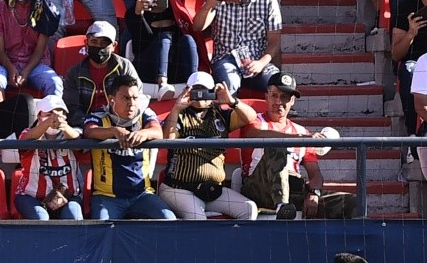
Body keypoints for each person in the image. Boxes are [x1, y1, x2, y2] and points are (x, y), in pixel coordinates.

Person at [240, 71, 356, 219]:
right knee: (277, 145)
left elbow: (315, 174)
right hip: (259, 188)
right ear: (266, 97)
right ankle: (283, 206)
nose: (278, 102)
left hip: (294, 188)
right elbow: (254, 134)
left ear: (292, 101)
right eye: (274, 95)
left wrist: (314, 193)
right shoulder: (254, 121)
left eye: (285, 97)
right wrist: (298, 138)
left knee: (353, 203)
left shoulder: (302, 131)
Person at [158, 70, 258, 220]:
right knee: (197, 218)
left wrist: (232, 101)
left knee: (249, 209)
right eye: (195, 90)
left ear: (213, 92)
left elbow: (250, 117)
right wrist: (176, 108)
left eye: (204, 90)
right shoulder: (179, 114)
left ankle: (232, 243)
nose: (199, 94)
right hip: (179, 188)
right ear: (187, 91)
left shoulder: (221, 114)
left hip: (212, 190)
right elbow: (167, 139)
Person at [83, 74, 176, 220]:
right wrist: (114, 131)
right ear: (112, 99)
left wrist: (144, 133)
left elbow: (158, 132)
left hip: (142, 195)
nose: (132, 103)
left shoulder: (145, 114)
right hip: (107, 197)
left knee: (169, 219)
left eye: (135, 98)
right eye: (126, 98)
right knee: (102, 228)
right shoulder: (98, 116)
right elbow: (89, 131)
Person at [193, 0, 282, 97]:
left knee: (278, 85)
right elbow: (198, 27)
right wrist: (208, 5)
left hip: (257, 58)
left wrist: (261, 63)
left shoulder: (268, 2)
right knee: (230, 85)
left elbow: (274, 43)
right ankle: (229, 117)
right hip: (225, 58)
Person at [125, 0, 200, 100]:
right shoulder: (132, 13)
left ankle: (194, 83)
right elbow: (140, 42)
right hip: (147, 65)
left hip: (173, 65)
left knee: (188, 39)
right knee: (163, 38)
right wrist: (139, 14)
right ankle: (162, 84)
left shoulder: (173, 9)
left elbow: (185, 31)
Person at [15, 94, 83, 220]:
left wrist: (64, 127)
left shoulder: (72, 132)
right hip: (30, 197)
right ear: (39, 116)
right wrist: (47, 123)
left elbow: (79, 142)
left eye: (59, 114)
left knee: (74, 218)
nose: (54, 118)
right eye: (49, 114)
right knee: (42, 218)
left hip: (68, 197)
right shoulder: (28, 133)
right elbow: (25, 140)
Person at [62, 20, 140, 128]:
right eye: (94, 42)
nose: (99, 46)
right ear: (86, 43)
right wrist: (90, 123)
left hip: (121, 122)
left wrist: (116, 123)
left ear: (113, 46)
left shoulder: (124, 67)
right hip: (86, 126)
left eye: (104, 43)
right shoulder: (74, 73)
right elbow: (72, 109)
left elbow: (136, 97)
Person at [391, 0, 427, 157]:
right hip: (417, 65)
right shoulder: (408, 7)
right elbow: (396, 54)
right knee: (409, 70)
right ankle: (413, 136)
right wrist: (411, 33)